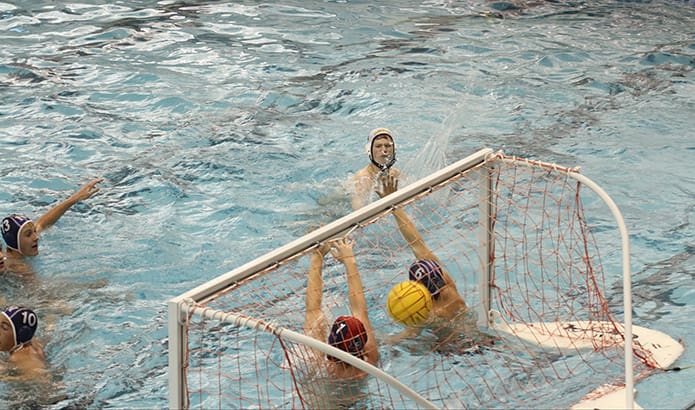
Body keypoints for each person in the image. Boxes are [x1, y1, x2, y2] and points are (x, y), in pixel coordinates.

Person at [376, 174, 492, 350]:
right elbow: (417, 244)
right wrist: (395, 206)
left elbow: (405, 337)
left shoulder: (427, 313)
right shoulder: (448, 283)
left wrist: (379, 339)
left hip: (453, 348)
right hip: (479, 333)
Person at [303, 237, 379, 377]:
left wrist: (317, 257)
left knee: (318, 322)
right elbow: (359, 309)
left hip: (329, 395)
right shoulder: (371, 357)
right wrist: (349, 260)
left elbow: (312, 310)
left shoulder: (319, 366)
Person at [1, 178, 103, 274]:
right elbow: (45, 292)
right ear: (14, 242)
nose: (36, 237)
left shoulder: (15, 249)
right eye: (28, 234)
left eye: (34, 231)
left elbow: (42, 223)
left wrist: (74, 199)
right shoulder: (19, 269)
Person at [351, 128, 401, 210]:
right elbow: (358, 213)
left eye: (388, 146)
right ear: (369, 150)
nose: (384, 150)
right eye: (378, 146)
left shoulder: (396, 173)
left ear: (394, 149)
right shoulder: (362, 178)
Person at [0, 306, 46, 380]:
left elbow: (42, 378)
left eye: (4, 328)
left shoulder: (19, 357)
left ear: (21, 335)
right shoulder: (31, 342)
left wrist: (5, 377)